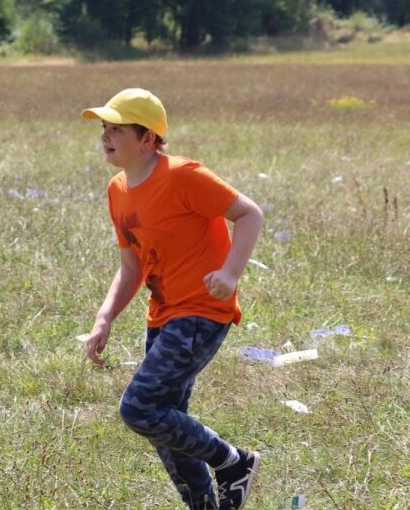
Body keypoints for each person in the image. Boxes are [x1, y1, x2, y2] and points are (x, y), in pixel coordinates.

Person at [82, 88, 263, 510]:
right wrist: (105, 317)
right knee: (167, 426)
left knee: (139, 408)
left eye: (117, 129)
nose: (105, 136)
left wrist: (230, 273)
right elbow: (131, 267)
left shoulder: (184, 175)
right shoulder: (117, 190)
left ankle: (234, 462)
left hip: (202, 311)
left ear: (148, 139)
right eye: (104, 128)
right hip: (162, 316)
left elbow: (249, 213)